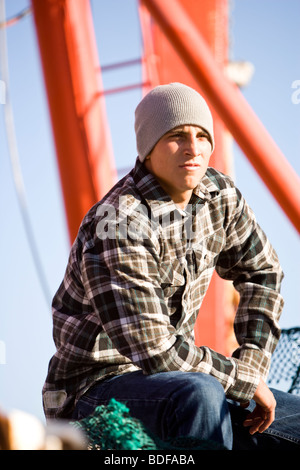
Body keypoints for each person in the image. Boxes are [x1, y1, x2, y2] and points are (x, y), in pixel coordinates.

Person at [43, 83, 300, 450]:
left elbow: (262, 273)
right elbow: (157, 351)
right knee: (200, 394)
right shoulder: (117, 223)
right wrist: (241, 381)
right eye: (177, 136)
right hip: (93, 394)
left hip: (184, 379)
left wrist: (253, 367)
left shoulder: (220, 196)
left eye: (201, 135)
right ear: (148, 149)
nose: (194, 148)